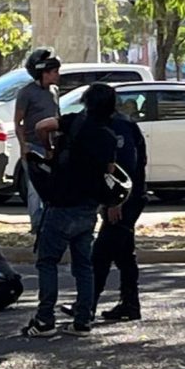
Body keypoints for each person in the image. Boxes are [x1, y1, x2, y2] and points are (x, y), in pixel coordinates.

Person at [22, 83, 119, 338]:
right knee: (83, 266)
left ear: (87, 102)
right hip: (88, 207)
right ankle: (83, 321)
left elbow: (42, 126)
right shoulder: (109, 136)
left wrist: (50, 149)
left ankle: (45, 320)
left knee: (47, 262)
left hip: (61, 203)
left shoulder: (75, 121)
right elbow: (109, 171)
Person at [65, 94, 148, 322]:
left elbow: (125, 170)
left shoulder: (120, 128)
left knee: (101, 254)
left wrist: (115, 202)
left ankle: (86, 306)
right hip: (122, 199)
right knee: (123, 254)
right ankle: (130, 304)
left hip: (124, 200)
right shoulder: (113, 125)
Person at [14, 48, 61, 235]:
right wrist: (23, 145)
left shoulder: (54, 91)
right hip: (33, 146)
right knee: (34, 188)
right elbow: (18, 121)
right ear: (44, 72)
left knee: (53, 186)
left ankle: (50, 222)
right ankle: (36, 225)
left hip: (52, 147)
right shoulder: (26, 93)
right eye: (54, 71)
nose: (58, 75)